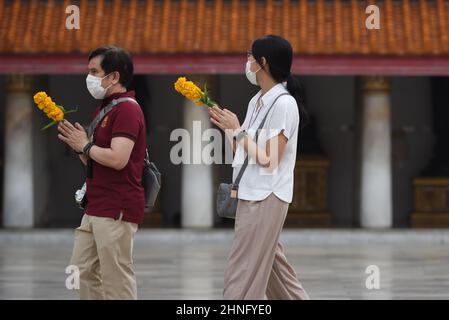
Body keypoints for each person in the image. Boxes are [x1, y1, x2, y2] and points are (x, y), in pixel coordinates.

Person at [209, 35, 310, 300]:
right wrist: (229, 130)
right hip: (250, 192)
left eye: (249, 56)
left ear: (262, 62)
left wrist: (238, 130)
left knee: (241, 274)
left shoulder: (284, 104)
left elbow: (269, 158)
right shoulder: (256, 101)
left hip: (267, 195)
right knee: (279, 277)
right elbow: (243, 150)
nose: (247, 62)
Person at [57, 46, 146, 300]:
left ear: (114, 77)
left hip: (117, 206)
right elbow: (95, 160)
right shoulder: (104, 109)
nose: (90, 78)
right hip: (96, 204)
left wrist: (85, 145)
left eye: (95, 72)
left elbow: (118, 159)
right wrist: (79, 147)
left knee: (116, 278)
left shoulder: (128, 109)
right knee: (81, 270)